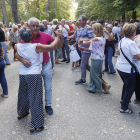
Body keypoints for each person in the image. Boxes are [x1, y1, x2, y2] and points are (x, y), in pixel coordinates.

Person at [16, 27, 60, 132]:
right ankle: (36, 124)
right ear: (31, 36)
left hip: (22, 73)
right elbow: (52, 46)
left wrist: (22, 59)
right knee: (35, 97)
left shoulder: (16, 45)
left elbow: (15, 54)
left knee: (23, 93)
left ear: (21, 37)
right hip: (34, 74)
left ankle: (22, 112)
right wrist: (58, 37)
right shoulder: (36, 46)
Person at [80, 23, 111, 93]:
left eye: (93, 29)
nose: (93, 30)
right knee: (94, 73)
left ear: (97, 30)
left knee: (94, 74)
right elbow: (93, 48)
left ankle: (105, 85)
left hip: (97, 58)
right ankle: (92, 87)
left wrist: (83, 40)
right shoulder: (101, 38)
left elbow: (85, 42)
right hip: (97, 58)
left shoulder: (98, 38)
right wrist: (85, 49)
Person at [116, 23, 140, 114]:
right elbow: (138, 57)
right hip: (128, 69)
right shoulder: (131, 43)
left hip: (120, 67)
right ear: (133, 33)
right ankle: (124, 108)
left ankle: (123, 99)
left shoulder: (123, 40)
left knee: (126, 84)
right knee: (130, 88)